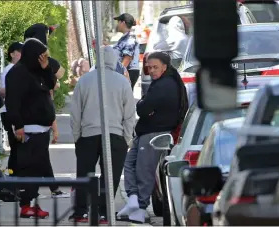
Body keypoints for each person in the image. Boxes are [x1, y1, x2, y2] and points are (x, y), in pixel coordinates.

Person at [117, 52, 188, 223]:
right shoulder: (162, 83)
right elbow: (145, 107)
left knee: (144, 170)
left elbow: (142, 108)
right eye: (149, 67)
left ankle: (140, 207)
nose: (152, 70)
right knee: (129, 163)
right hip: (146, 132)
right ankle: (133, 199)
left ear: (165, 67)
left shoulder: (165, 85)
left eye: (155, 67)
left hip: (154, 133)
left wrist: (144, 105)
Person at [69, 46, 136, 224]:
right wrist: (127, 138)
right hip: (115, 134)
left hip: (88, 134)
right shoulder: (122, 82)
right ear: (114, 61)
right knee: (111, 176)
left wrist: (77, 136)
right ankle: (105, 213)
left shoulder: (84, 81)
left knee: (85, 174)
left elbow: (75, 112)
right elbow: (129, 113)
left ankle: (81, 211)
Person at [4, 38, 57, 218]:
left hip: (41, 128)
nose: (44, 58)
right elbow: (13, 102)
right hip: (28, 128)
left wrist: (46, 68)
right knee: (29, 167)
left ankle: (29, 203)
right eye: (41, 56)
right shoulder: (18, 73)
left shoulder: (37, 71)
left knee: (37, 166)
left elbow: (51, 84)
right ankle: (26, 204)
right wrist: (18, 125)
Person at [23, 23, 69, 198]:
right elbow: (59, 76)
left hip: (34, 117)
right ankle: (38, 192)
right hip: (36, 117)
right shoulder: (41, 62)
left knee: (37, 156)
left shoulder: (25, 64)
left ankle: (33, 191)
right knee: (39, 156)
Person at [0, 41, 23, 176]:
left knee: (17, 147)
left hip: (12, 111)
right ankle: (14, 177)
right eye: (20, 51)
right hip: (10, 112)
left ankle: (15, 177)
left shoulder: (17, 69)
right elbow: (3, 91)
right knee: (16, 147)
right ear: (12, 54)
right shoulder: (10, 69)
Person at [113, 13, 140, 90]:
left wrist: (119, 73)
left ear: (123, 23)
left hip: (128, 71)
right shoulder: (125, 37)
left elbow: (127, 58)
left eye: (118, 22)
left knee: (124, 98)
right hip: (126, 71)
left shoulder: (130, 38)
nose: (117, 24)